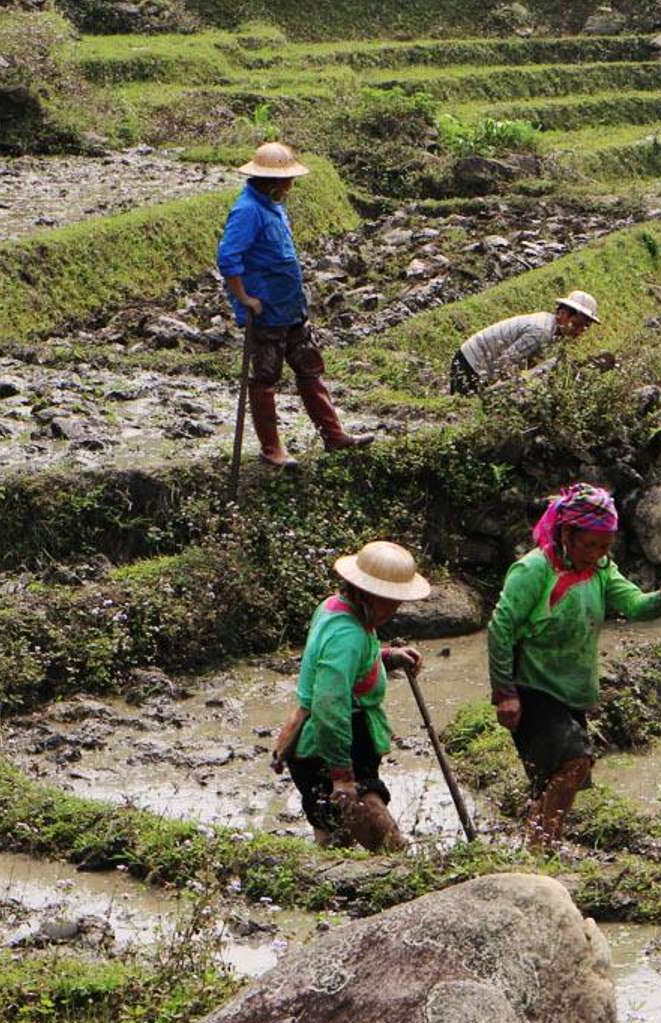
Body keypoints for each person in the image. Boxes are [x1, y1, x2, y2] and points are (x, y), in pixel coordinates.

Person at [486, 483, 661, 851]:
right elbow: (500, 629)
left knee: (557, 776)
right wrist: (505, 693)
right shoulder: (534, 571)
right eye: (590, 545)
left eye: (605, 546)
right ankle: (542, 848)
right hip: (533, 685)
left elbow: (635, 605)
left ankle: (539, 846)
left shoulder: (601, 569)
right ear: (566, 534)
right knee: (575, 761)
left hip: (572, 690)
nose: (598, 553)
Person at [269, 541, 432, 853]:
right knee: (390, 852)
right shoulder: (349, 634)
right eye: (392, 601)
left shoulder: (337, 608)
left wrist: (389, 656)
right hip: (330, 750)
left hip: (321, 747)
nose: (397, 609)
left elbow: (344, 667)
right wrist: (342, 777)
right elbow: (329, 705)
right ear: (369, 594)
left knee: (334, 841)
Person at [218, 142, 373, 469]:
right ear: (272, 181)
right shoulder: (248, 210)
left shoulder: (274, 206)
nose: (291, 185)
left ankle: (334, 436)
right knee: (265, 379)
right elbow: (228, 258)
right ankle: (272, 448)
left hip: (290, 307)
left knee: (309, 369)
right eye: (287, 180)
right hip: (265, 312)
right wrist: (245, 299)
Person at [449, 291, 601, 395]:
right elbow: (506, 362)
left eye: (585, 327)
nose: (580, 330)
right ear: (562, 314)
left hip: (477, 363)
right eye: (576, 324)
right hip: (469, 364)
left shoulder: (552, 329)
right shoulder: (541, 331)